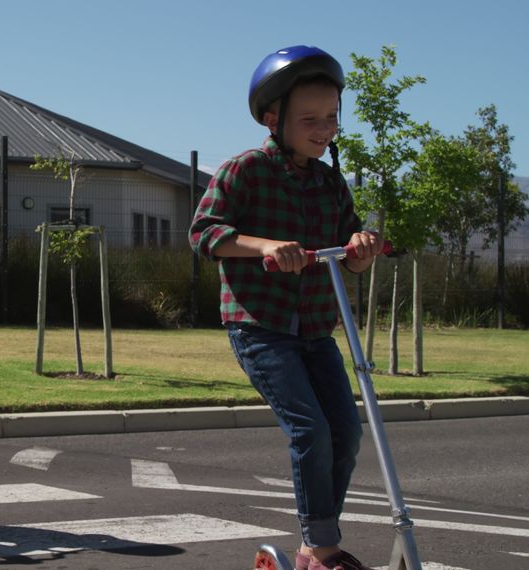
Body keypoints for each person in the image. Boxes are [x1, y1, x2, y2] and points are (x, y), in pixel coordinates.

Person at [188, 46, 384, 570]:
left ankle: (311, 547)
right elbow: (203, 235)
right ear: (274, 120)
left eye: (331, 118)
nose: (324, 129)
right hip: (261, 325)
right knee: (310, 428)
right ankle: (322, 551)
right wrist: (266, 246)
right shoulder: (245, 171)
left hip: (317, 329)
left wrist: (361, 252)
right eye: (310, 120)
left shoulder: (330, 182)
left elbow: (348, 262)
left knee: (346, 431)